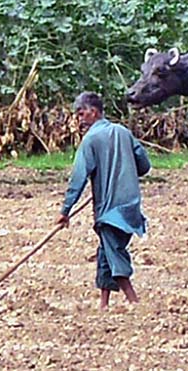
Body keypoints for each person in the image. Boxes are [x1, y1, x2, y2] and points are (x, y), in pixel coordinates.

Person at [56, 92, 151, 310]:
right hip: (130, 206)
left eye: (81, 114)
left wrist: (65, 210)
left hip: (109, 209)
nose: (80, 120)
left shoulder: (90, 140)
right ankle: (104, 303)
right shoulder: (123, 132)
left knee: (114, 250)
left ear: (93, 111)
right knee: (105, 250)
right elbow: (144, 165)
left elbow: (78, 178)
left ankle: (133, 300)